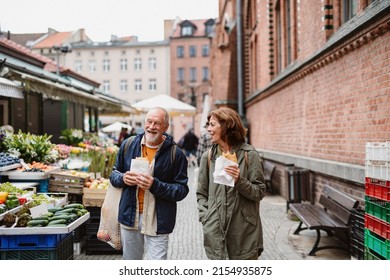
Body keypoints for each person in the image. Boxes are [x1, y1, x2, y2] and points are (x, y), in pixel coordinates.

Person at [109, 107, 189, 260]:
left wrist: (154, 185)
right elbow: (113, 174)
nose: (151, 127)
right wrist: (123, 178)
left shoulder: (176, 154)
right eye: (149, 122)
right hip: (130, 216)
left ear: (165, 127)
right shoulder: (128, 145)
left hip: (158, 219)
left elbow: (181, 190)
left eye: (157, 123)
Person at [196, 107, 266, 260]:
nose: (208, 129)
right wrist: (206, 217)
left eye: (212, 124)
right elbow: (201, 193)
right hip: (215, 230)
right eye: (208, 125)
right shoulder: (207, 157)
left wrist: (239, 181)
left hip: (244, 232)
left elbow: (259, 192)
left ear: (227, 126)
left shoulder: (249, 155)